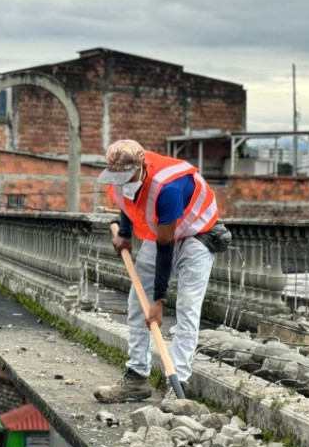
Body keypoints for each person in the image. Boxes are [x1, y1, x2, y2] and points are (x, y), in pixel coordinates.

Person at [94, 139, 221, 403]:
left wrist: (159, 302)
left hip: (198, 234)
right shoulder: (120, 175)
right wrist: (125, 233)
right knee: (136, 303)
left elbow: (166, 246)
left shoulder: (167, 188)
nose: (123, 182)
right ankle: (136, 379)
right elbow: (128, 201)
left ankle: (178, 385)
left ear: (141, 168)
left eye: (128, 177)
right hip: (163, 232)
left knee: (187, 307)